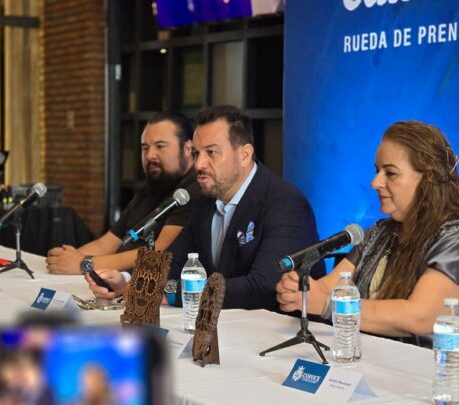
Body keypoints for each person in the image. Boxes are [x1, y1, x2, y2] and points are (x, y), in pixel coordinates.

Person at [276, 120, 459, 363]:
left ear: (427, 179)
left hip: (449, 372)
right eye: (377, 170)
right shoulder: (379, 233)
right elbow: (328, 288)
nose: (375, 182)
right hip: (385, 363)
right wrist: (300, 291)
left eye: (390, 173)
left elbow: (419, 317)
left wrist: (326, 305)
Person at [85, 105, 324, 311]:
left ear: (244, 155)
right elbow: (174, 262)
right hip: (220, 328)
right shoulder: (204, 199)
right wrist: (130, 281)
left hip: (273, 336)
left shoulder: (285, 203)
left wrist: (173, 295)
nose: (199, 164)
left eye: (211, 152)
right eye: (197, 153)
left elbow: (263, 287)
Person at [46, 112, 200, 276]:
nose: (150, 155)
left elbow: (159, 252)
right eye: (145, 148)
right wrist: (66, 258)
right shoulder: (151, 188)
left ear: (187, 149)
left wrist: (84, 264)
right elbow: (108, 243)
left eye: (160, 146)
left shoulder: (191, 191)